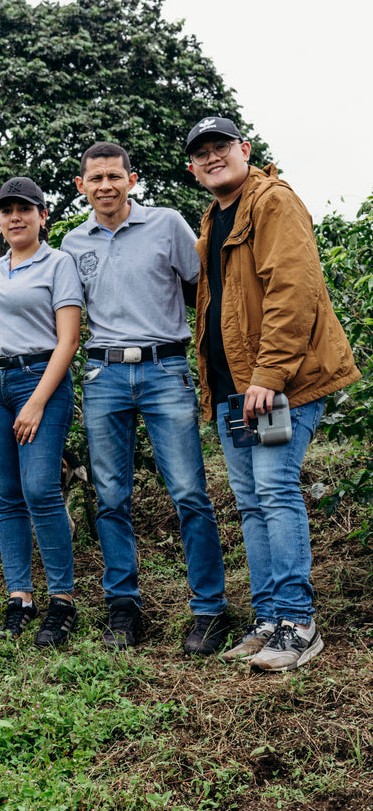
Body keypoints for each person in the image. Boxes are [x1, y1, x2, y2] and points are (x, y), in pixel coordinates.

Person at [186, 116, 360, 671]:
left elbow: (295, 290)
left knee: (275, 490)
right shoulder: (213, 219)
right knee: (251, 503)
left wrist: (268, 375)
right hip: (234, 387)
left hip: (277, 382)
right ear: (193, 169)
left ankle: (298, 622)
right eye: (201, 153)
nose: (213, 158)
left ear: (246, 149)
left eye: (221, 147)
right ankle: (268, 621)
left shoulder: (273, 201)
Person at [61, 142, 228, 654]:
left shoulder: (167, 224)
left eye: (115, 176)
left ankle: (209, 610)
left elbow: (207, 288)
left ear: (131, 180)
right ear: (81, 186)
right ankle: (123, 609)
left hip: (164, 367)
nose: (106, 186)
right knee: (110, 498)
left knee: (188, 493)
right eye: (96, 178)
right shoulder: (72, 242)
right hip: (104, 373)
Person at [0, 177, 82, 648]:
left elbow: (69, 340)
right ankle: (20, 595)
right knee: (8, 494)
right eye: (6, 210)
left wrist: (36, 400)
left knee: (40, 488)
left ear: (42, 215)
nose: (14, 217)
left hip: (40, 379)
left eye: (24, 209)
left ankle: (62, 600)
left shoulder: (59, 263)